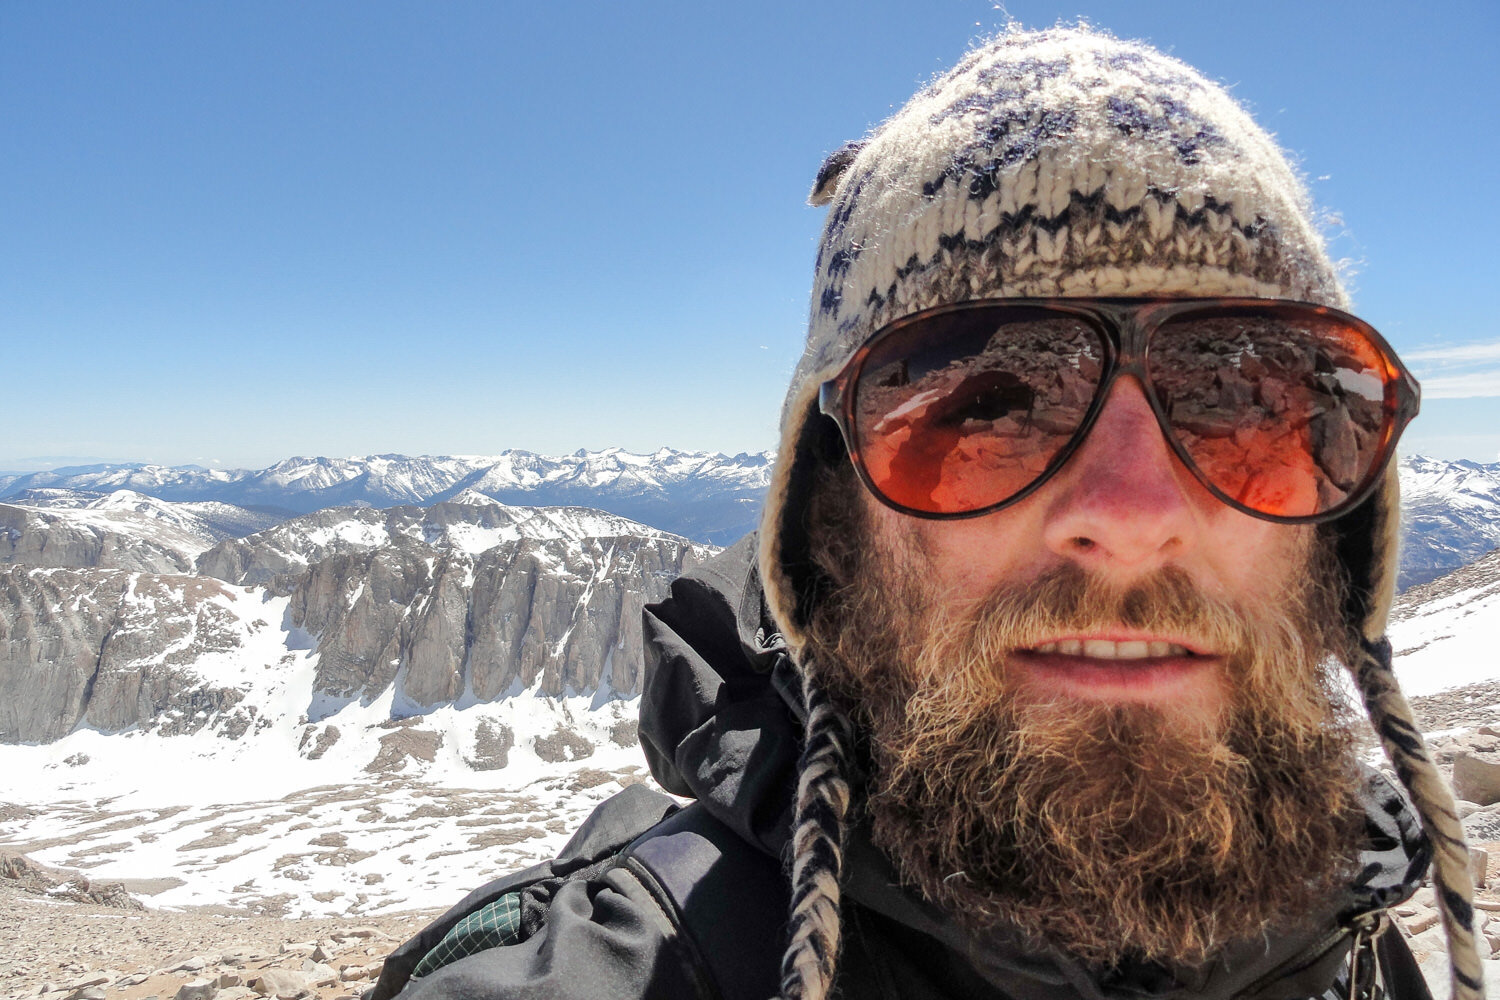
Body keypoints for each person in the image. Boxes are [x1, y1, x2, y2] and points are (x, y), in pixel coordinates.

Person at [372, 26, 1483, 1000]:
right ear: (828, 529)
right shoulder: (608, 972)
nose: (1133, 514)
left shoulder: (1359, 939)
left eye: (1247, 397)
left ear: (1343, 522)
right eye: (985, 407)